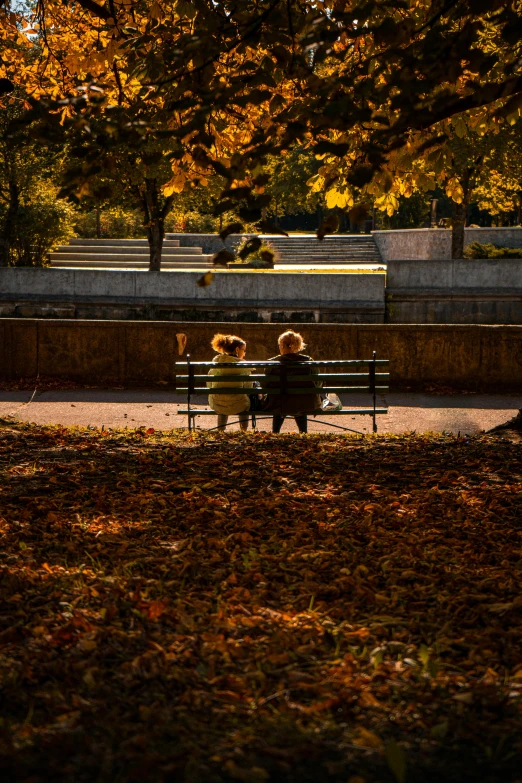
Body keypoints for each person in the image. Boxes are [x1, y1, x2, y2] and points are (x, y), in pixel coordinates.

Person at [263, 330, 322, 433]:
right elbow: (317, 383)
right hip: (305, 402)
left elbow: (266, 385)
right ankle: (303, 432)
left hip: (279, 402)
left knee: (281, 399)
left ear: (282, 346)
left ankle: (275, 432)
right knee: (299, 401)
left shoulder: (272, 362)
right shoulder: (308, 361)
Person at [207, 334, 252, 431]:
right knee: (244, 402)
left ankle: (221, 430)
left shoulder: (216, 363)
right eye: (243, 350)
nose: (244, 353)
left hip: (217, 403)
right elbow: (249, 387)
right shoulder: (243, 366)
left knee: (222, 403)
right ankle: (243, 430)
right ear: (237, 350)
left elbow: (209, 383)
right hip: (239, 404)